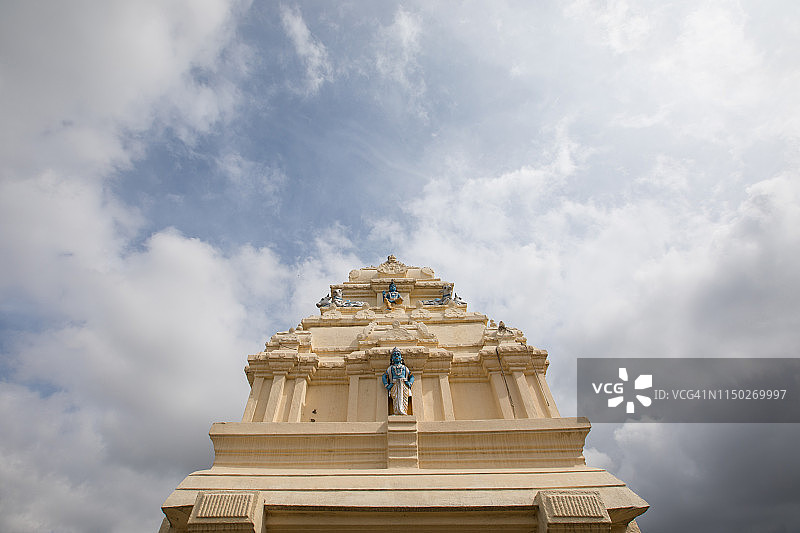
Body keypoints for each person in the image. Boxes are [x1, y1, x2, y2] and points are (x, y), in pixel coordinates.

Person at [382, 347, 415, 415]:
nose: (397, 356)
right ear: (392, 359)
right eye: (394, 355)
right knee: (396, 399)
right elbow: (384, 376)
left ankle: (403, 411)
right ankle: (397, 412)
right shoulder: (391, 368)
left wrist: (410, 383)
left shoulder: (404, 368)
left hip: (404, 384)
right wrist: (387, 385)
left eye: (398, 354)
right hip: (394, 384)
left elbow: (411, 376)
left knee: (404, 399)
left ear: (401, 358)